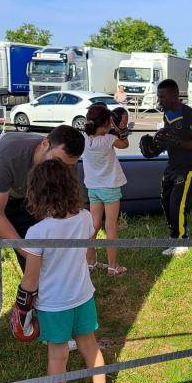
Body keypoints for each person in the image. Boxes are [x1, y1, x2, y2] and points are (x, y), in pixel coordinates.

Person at [0, 125, 85, 380]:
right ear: (44, 144)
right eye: (58, 162)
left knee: (46, 263)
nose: (62, 170)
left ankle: (51, 327)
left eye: (68, 166)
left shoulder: (61, 162)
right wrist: (26, 250)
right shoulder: (8, 155)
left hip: (25, 196)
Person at [19, 159, 111, 383]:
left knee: (58, 357)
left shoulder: (37, 232)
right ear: (72, 187)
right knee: (90, 347)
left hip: (54, 304)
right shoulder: (85, 218)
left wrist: (21, 306)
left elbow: (30, 278)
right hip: (82, 296)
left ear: (37, 192)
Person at [156, 78, 192, 256]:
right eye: (159, 97)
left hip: (189, 167)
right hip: (172, 165)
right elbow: (168, 139)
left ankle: (182, 241)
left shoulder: (191, 114)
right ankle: (175, 237)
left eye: (163, 97)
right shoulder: (166, 114)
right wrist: (156, 145)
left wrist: (176, 142)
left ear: (175, 95)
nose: (160, 100)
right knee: (166, 202)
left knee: (177, 203)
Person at [82, 103, 129, 275]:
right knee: (110, 226)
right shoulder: (109, 139)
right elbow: (125, 144)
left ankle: (90, 262)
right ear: (108, 122)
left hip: (93, 188)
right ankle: (112, 266)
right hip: (109, 188)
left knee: (93, 225)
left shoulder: (85, 139)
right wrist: (119, 128)